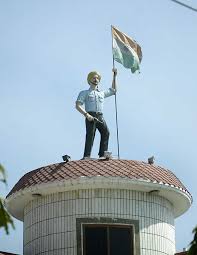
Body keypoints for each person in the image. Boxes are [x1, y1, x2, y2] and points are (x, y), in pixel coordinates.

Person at [76, 69, 117, 159]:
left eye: (97, 78)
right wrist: (87, 115)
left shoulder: (101, 93)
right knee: (90, 135)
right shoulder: (85, 93)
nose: (96, 79)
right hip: (90, 115)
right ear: (90, 79)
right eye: (94, 78)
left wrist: (114, 76)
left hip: (100, 116)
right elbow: (78, 105)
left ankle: (102, 154)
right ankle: (87, 156)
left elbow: (113, 90)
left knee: (106, 133)